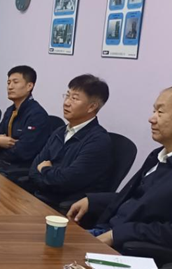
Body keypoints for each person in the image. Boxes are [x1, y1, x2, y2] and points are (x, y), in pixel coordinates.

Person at [67, 86, 172, 262]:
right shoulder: (160, 154)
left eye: (160, 112)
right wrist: (93, 201)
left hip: (132, 252)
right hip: (108, 232)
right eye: (154, 111)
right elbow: (140, 199)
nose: (151, 119)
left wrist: (118, 234)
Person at [28, 75, 112, 205]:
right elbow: (34, 169)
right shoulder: (60, 131)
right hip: (39, 196)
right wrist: (48, 176)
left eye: (75, 98)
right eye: (67, 96)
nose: (66, 102)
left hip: (64, 207)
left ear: (91, 107)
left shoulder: (98, 141)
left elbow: (66, 182)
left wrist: (45, 170)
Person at [0, 66, 50, 180]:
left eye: (15, 82)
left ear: (29, 86)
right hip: (1, 166)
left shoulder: (37, 115)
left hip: (19, 172)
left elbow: (23, 152)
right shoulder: (10, 110)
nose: (10, 87)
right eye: (8, 82)